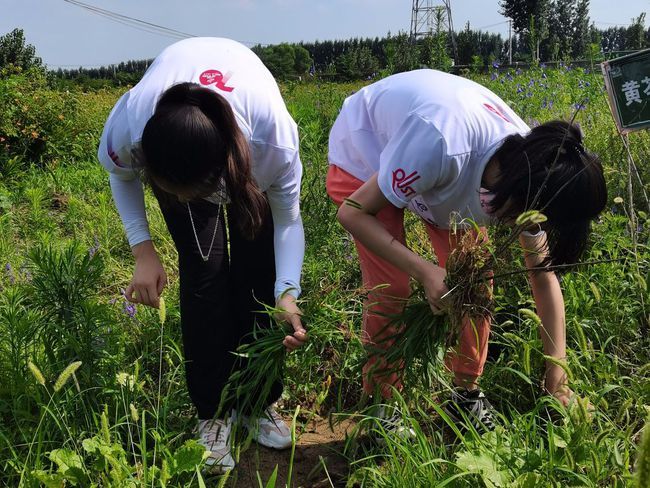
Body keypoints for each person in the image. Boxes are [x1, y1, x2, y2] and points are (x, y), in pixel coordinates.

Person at [326, 69, 606, 433]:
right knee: (392, 289)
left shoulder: (535, 172)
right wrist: (425, 271)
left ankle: (465, 394)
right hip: (367, 149)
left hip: (435, 173)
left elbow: (543, 276)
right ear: (523, 195)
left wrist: (559, 379)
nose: (524, 227)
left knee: (473, 287)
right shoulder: (442, 141)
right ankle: (382, 407)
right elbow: (353, 212)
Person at [98, 37, 307, 472]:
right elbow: (120, 175)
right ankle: (212, 413)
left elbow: (288, 222)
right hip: (187, 146)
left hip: (242, 154)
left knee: (258, 274)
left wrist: (287, 291)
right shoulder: (137, 124)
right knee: (204, 276)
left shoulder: (274, 146)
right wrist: (143, 250)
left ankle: (256, 401)